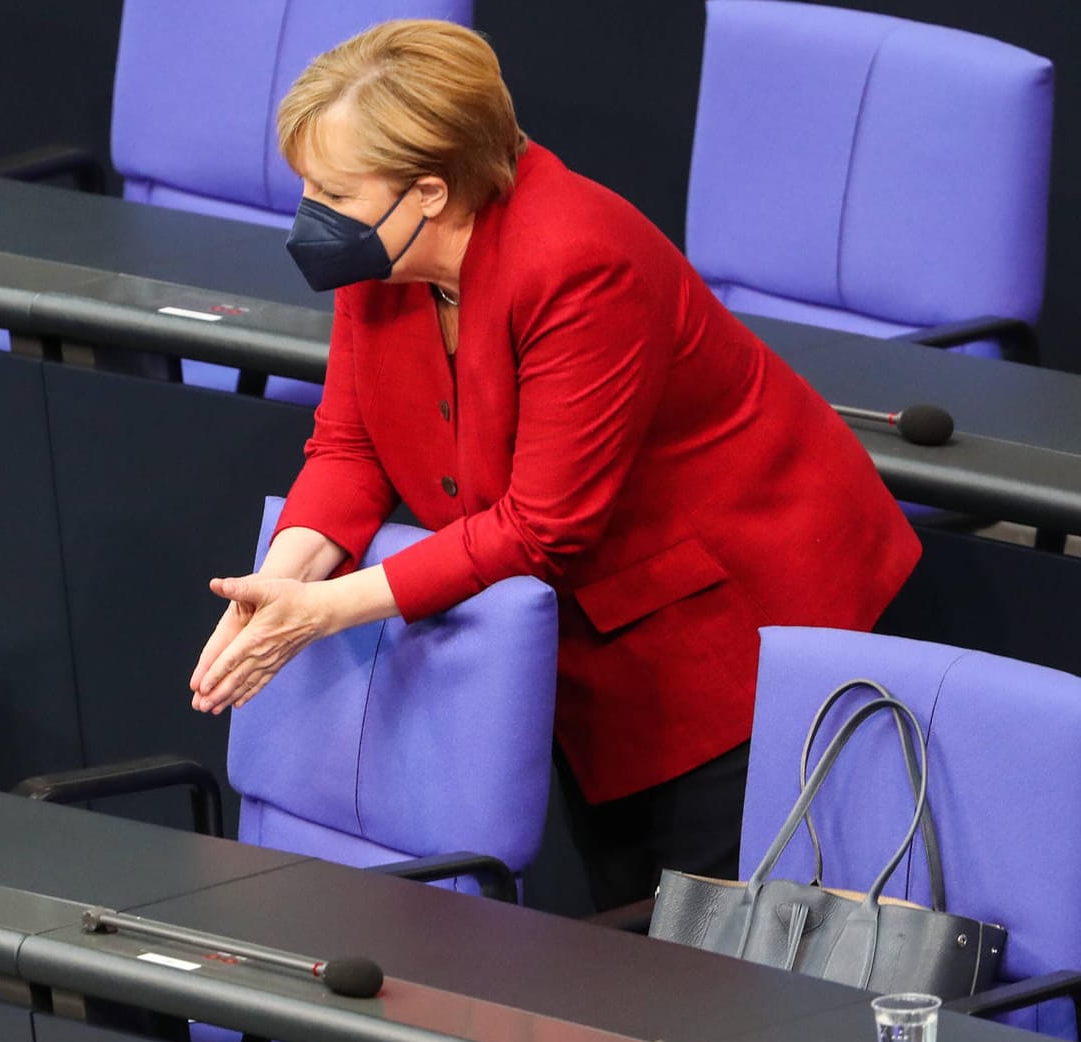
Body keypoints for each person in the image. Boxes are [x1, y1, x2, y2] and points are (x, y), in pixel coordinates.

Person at [188, 21, 918, 909]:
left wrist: (326, 609)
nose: (308, 210)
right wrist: (280, 587)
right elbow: (350, 444)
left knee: (715, 946)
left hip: (737, 627)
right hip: (585, 639)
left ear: (428, 189)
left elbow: (545, 527)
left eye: (330, 189)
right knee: (628, 919)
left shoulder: (578, 260)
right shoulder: (382, 255)